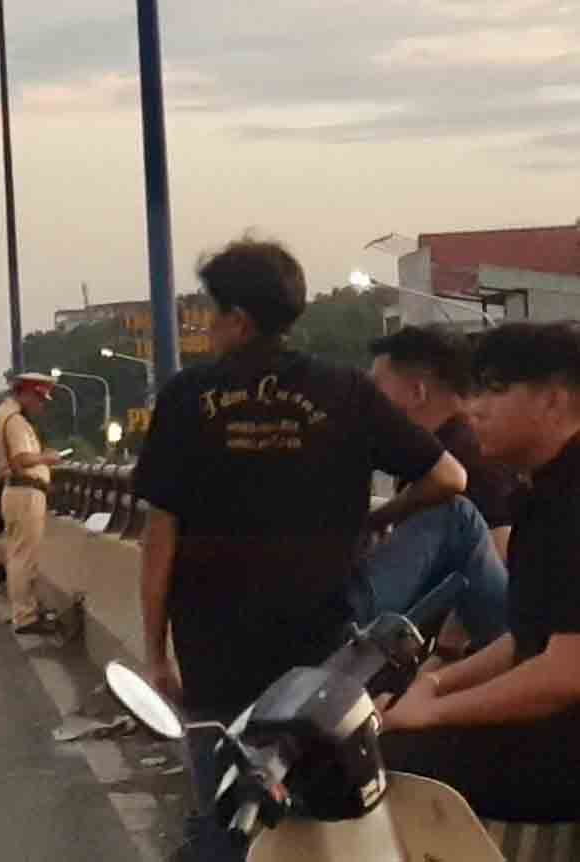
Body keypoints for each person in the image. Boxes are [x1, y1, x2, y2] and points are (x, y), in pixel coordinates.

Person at [132, 237, 466, 852]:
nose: (206, 326)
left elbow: (160, 536)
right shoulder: (345, 391)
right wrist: (382, 515)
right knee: (313, 825)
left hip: (214, 651)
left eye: (211, 312)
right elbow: (450, 478)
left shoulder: (186, 398)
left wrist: (156, 652)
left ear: (237, 320)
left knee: (227, 808)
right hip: (318, 655)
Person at [380, 322, 580, 822]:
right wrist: (434, 688)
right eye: (473, 391)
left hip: (567, 740)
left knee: (383, 767)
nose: (473, 409)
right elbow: (525, 638)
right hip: (558, 722)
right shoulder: (543, 491)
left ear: (555, 401)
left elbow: (565, 673)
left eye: (495, 390)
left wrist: (434, 712)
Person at [354, 325, 515, 650]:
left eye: (376, 387)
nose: (369, 401)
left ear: (417, 392)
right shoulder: (434, 454)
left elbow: (499, 552)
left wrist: (443, 658)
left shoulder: (469, 458)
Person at [0, 372, 62, 635]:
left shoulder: (2, 414)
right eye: (39, 398)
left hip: (16, 492)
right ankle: (25, 616)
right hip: (25, 492)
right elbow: (20, 460)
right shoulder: (15, 421)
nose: (41, 405)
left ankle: (22, 610)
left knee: (18, 554)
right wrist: (48, 458)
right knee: (23, 557)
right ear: (27, 393)